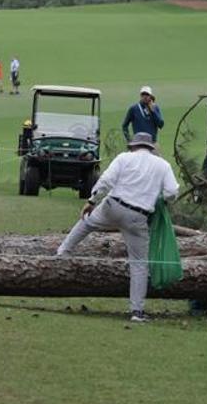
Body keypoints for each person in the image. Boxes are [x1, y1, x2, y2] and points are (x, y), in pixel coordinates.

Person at [56, 132, 179, 322]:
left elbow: (105, 181)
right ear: (151, 147)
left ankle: (63, 251)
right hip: (138, 216)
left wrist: (91, 200)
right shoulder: (163, 165)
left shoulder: (123, 158)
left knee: (86, 222)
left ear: (134, 146)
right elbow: (172, 192)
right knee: (139, 264)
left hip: (113, 206)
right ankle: (137, 312)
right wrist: (161, 199)